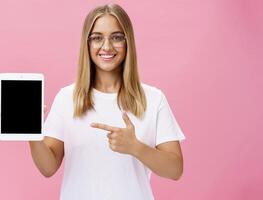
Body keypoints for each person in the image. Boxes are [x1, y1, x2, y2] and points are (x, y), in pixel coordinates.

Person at [29, 3, 186, 200]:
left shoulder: (153, 99)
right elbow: (48, 168)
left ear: (128, 42)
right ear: (87, 44)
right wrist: (33, 133)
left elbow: (175, 169)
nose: (106, 46)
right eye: (97, 38)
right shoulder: (66, 98)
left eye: (116, 37)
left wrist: (135, 147)